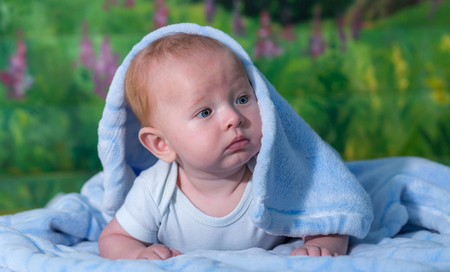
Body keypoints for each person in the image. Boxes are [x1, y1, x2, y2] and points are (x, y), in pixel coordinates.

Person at [98, 33, 349, 260]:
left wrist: (321, 243)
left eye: (242, 99)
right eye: (205, 112)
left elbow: (328, 214)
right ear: (162, 144)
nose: (234, 118)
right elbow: (114, 239)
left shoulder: (274, 172)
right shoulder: (155, 191)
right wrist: (139, 254)